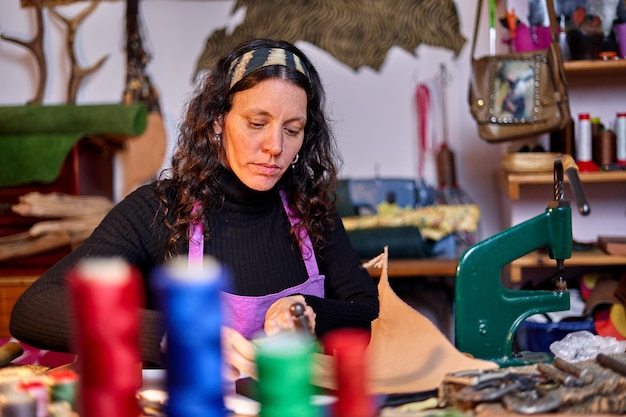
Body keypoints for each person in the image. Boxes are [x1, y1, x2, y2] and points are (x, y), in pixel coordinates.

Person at [9, 39, 380, 371]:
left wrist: (310, 311)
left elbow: (370, 312)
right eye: (256, 123)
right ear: (218, 121)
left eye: (292, 129)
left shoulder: (312, 212)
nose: (275, 147)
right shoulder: (161, 210)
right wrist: (173, 335)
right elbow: (37, 306)